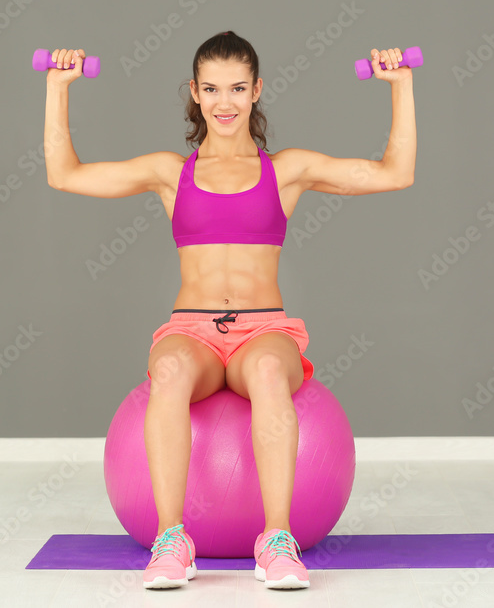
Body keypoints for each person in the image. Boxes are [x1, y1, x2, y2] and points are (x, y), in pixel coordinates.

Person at [43, 31, 416, 590]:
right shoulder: (171, 173)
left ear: (257, 90)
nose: (225, 102)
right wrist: (58, 86)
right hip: (191, 329)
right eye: (212, 89)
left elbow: (395, 172)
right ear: (194, 92)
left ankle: (277, 541)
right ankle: (172, 539)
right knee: (166, 371)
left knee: (268, 371)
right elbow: (64, 174)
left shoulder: (285, 170)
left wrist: (401, 85)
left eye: (238, 88)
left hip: (263, 329)